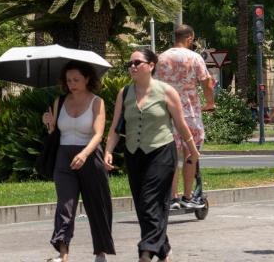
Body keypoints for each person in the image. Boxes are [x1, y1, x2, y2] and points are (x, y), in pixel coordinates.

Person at [104, 48, 200, 262]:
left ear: (151, 65)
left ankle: (146, 252)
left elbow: (181, 125)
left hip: (161, 153)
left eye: (137, 62)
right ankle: (164, 250)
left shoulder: (167, 92)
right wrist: (108, 151)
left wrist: (192, 150)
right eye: (130, 64)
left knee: (150, 201)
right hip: (134, 154)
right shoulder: (125, 93)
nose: (132, 67)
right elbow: (116, 127)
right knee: (142, 205)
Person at [42, 60, 115, 262]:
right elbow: (55, 133)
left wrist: (84, 154)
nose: (72, 84)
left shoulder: (96, 102)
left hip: (90, 156)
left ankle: (100, 252)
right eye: (68, 80)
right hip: (64, 158)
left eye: (76, 79)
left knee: (97, 205)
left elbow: (98, 134)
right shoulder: (60, 101)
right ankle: (63, 254)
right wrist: (49, 124)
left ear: (87, 79)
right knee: (65, 205)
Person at [155, 24, 215, 210]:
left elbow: (154, 85)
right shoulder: (194, 57)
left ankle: (172, 198)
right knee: (191, 153)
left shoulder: (161, 58)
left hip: (167, 114)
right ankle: (187, 196)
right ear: (189, 38)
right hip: (190, 114)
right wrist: (209, 103)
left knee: (171, 155)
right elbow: (207, 83)